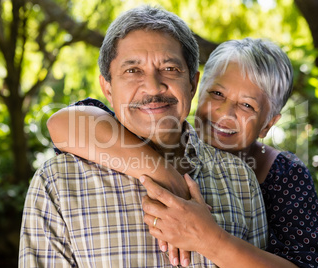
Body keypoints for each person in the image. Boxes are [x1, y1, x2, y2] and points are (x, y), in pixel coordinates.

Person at [19, 5, 268, 267]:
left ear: (193, 84)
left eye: (170, 68)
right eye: (132, 71)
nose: (152, 86)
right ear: (108, 88)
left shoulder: (241, 179)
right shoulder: (58, 182)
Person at [48, 38, 318, 267]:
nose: (224, 114)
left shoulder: (284, 177)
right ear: (197, 89)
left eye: (247, 106)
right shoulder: (157, 136)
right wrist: (166, 175)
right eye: (217, 94)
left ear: (268, 124)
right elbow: (67, 122)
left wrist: (210, 240)